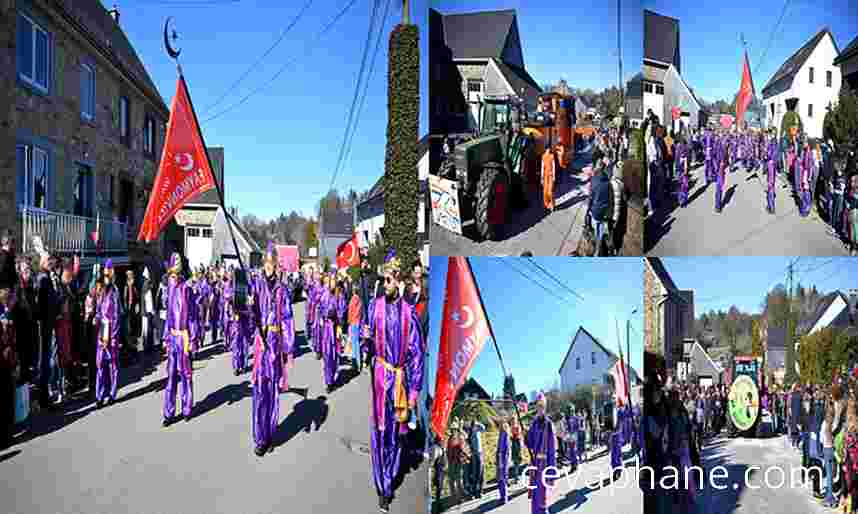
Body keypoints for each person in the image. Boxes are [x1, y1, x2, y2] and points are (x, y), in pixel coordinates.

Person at [364, 251, 424, 513]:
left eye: (388, 280)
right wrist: (365, 339)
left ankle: (390, 474)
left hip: (398, 381)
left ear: (397, 280)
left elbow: (417, 356)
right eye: (383, 279)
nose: (384, 284)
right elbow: (368, 346)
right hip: (379, 379)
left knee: (397, 434)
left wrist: (413, 392)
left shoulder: (408, 313)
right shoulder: (374, 307)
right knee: (379, 431)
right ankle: (383, 485)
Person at [249, 243, 290, 456]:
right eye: (265, 263)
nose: (268, 267)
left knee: (272, 392)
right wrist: (248, 305)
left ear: (276, 265)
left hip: (274, 344)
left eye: (271, 263)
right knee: (259, 392)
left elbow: (288, 319)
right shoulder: (256, 286)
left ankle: (270, 433)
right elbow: (249, 312)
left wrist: (286, 348)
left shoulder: (282, 290)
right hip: (260, 345)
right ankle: (259, 437)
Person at [95, 260, 120, 408]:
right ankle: (99, 395)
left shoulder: (115, 292)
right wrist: (96, 319)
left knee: (113, 365)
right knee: (100, 364)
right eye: (104, 276)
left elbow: (116, 315)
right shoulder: (101, 292)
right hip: (101, 331)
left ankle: (112, 393)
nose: (106, 279)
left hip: (111, 332)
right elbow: (98, 311)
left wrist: (114, 336)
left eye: (108, 276)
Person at [526, 392, 556, 514]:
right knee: (535, 497)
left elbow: (552, 450)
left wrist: (551, 472)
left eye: (542, 406)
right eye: (538, 406)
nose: (539, 409)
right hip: (535, 464)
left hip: (544, 465)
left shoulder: (548, 424)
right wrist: (525, 438)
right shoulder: (533, 423)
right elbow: (531, 443)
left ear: (545, 407)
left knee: (542, 498)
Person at [0, 287, 18, 449]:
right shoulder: (4, 315)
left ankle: (8, 433)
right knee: (6, 399)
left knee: (8, 398)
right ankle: (6, 435)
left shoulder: (7, 314)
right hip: (4, 360)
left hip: (8, 360)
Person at [497, 421, 511, 504]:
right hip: (501, 458)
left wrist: (502, 461)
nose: (500, 426)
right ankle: (502, 496)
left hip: (503, 459)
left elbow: (505, 450)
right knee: (501, 478)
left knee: (502, 478)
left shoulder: (504, 435)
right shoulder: (502, 434)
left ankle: (504, 497)